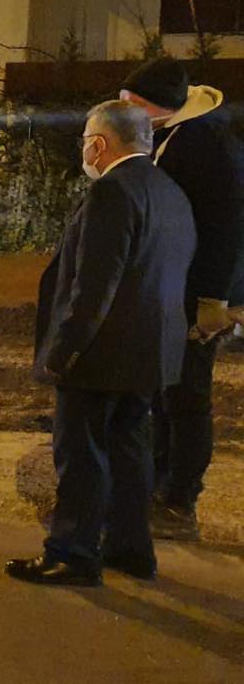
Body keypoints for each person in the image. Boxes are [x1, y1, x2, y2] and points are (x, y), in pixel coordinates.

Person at [7, 101, 195, 586]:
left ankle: (72, 551)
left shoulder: (112, 193)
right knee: (130, 450)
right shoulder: (170, 192)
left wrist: (62, 353)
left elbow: (93, 288)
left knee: (81, 454)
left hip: (100, 354)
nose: (84, 149)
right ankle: (130, 549)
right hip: (150, 353)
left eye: (86, 139)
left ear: (100, 143)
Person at [120, 58, 244, 540]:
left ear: (158, 104)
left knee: (187, 395)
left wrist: (212, 299)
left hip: (199, 294)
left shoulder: (205, 143)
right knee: (166, 390)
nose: (125, 112)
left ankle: (179, 500)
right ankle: (160, 482)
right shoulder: (179, 134)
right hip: (178, 286)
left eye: (132, 105)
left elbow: (226, 227)